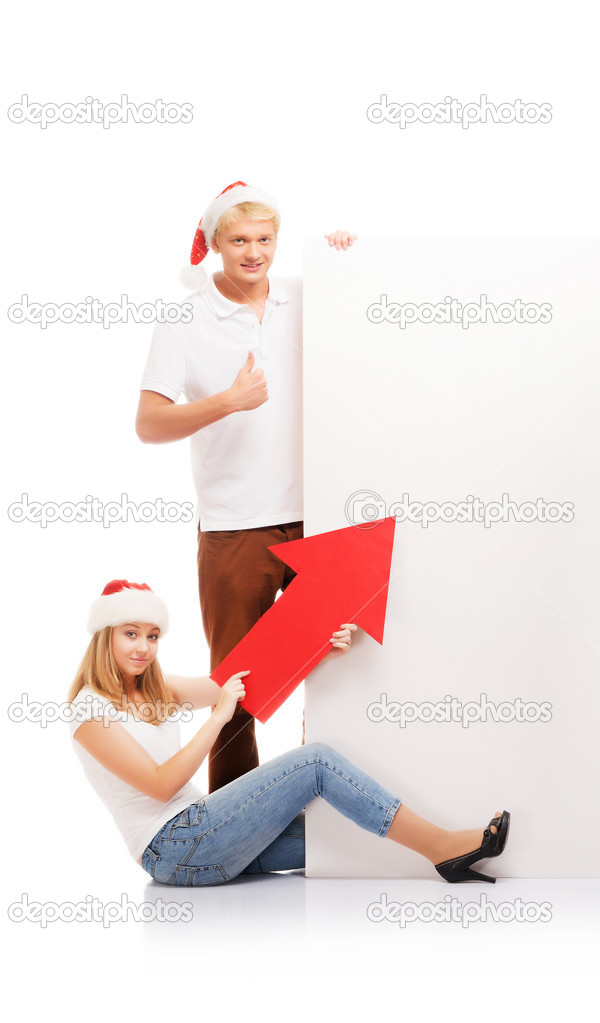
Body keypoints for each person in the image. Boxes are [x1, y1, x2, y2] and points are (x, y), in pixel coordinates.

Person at [68, 580, 510, 886]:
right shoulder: (90, 709)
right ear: (104, 637)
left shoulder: (156, 688)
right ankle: (444, 848)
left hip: (207, 846)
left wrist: (320, 650)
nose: (144, 647)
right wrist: (216, 719)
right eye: (130, 634)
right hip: (174, 848)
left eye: (152, 635)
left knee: (329, 835)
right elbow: (161, 786)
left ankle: (445, 853)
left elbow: (242, 683)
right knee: (315, 761)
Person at [136, 181, 355, 792]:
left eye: (264, 240)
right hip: (235, 524)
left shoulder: (303, 297)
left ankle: (330, 813)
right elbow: (148, 424)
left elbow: (369, 309)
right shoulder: (185, 318)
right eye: (239, 240)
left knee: (342, 667)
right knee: (237, 688)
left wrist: (347, 257)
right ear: (216, 243)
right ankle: (238, 826)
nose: (253, 253)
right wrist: (227, 401)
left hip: (321, 515)